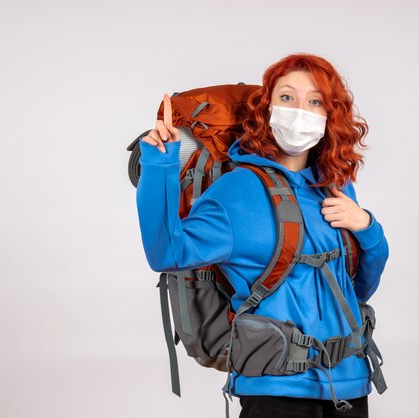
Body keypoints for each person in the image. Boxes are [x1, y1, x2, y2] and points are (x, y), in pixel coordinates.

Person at [135, 53, 389, 418]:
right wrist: (160, 163)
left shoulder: (336, 185)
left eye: (314, 101)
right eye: (287, 97)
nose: (300, 110)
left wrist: (366, 226)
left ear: (330, 115)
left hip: (350, 384)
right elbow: (168, 253)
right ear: (267, 108)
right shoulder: (237, 189)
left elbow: (360, 286)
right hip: (275, 392)